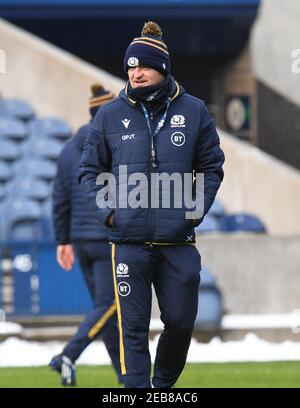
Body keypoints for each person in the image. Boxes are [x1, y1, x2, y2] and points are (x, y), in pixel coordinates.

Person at [79, 22, 225, 388]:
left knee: (180, 322)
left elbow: (211, 166)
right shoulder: (110, 115)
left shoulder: (194, 111)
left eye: (142, 66)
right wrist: (109, 211)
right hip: (127, 242)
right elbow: (89, 170)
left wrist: (195, 209)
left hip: (178, 242)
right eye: (130, 67)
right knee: (132, 326)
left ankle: (162, 387)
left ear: (162, 67)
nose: (135, 73)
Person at [49, 84, 123, 386]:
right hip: (108, 239)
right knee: (110, 305)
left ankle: (125, 376)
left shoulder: (69, 149)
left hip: (80, 241)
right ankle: (68, 354)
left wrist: (62, 241)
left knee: (105, 314)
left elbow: (60, 199)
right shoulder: (115, 143)